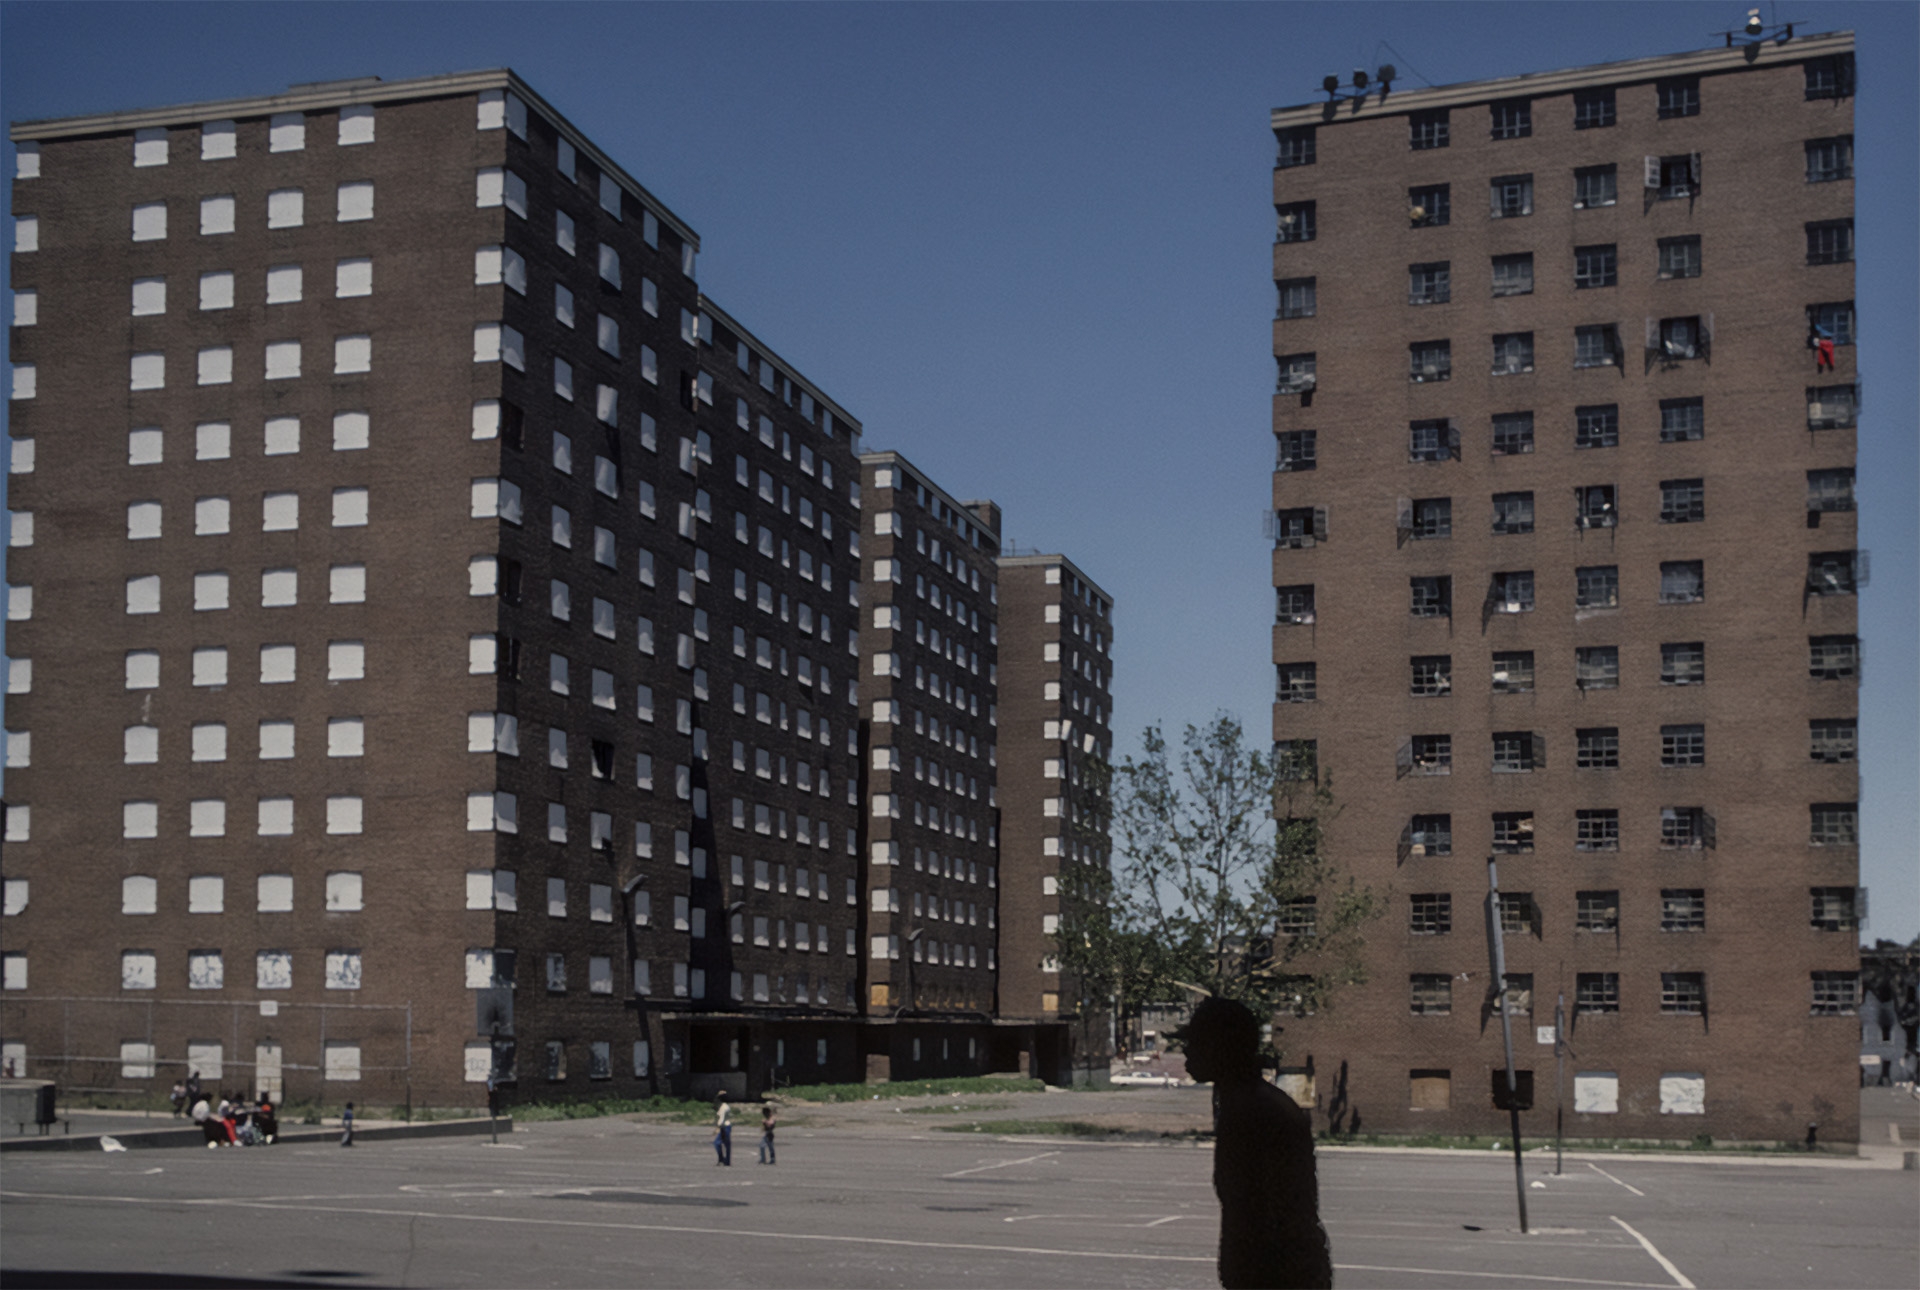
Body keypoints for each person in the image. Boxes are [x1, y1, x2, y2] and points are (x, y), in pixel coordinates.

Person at [1176, 996, 1333, 1290]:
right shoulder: (1247, 1102)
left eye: (1196, 1040)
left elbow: (1267, 1217)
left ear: (1221, 1046)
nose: (1187, 1050)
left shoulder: (1252, 1111)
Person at [712, 1091, 733, 1166]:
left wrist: (718, 1128)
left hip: (724, 1126)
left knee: (717, 1143)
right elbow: (714, 1106)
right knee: (726, 1144)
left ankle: (722, 1159)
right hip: (726, 1126)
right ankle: (726, 1160)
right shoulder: (723, 1106)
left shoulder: (724, 1107)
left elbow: (722, 1119)